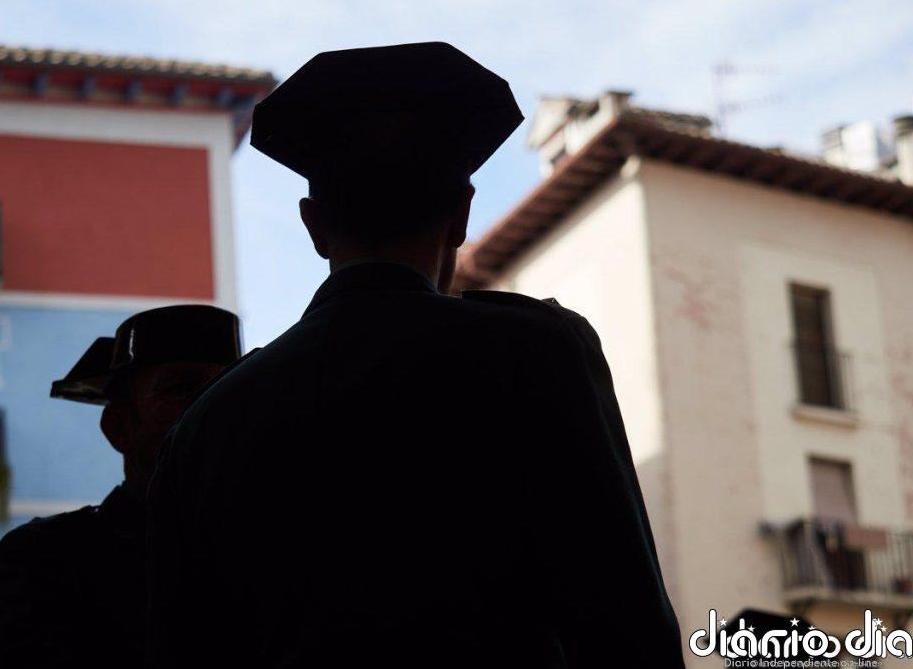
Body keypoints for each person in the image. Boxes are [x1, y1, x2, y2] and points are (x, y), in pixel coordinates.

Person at [147, 42, 684, 667]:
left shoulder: (208, 425)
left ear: (314, 225)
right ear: (461, 216)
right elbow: (627, 627)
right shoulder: (536, 353)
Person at [0, 305, 241, 669]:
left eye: (226, 391)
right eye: (180, 389)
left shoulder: (267, 547)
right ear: (119, 427)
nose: (210, 410)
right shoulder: (48, 559)